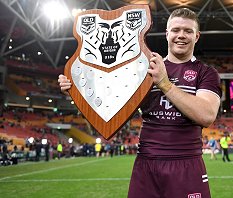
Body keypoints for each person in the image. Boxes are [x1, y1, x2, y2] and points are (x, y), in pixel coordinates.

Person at [58, 8, 221, 198]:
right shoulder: (143, 67)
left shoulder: (206, 73)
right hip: (146, 164)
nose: (181, 35)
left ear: (197, 36)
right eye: (176, 30)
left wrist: (164, 84)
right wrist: (77, 90)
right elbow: (110, 102)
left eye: (188, 31)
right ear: (167, 34)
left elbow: (207, 115)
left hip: (186, 162)